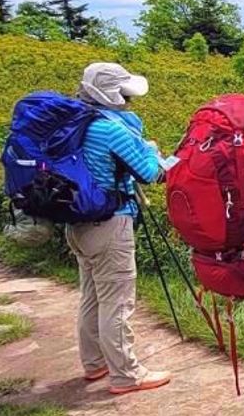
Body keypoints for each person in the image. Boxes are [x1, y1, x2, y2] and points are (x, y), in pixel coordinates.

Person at [70, 62, 172, 396]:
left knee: (92, 296)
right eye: (125, 94)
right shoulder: (111, 129)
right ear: (111, 94)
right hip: (111, 222)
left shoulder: (77, 123)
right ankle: (126, 374)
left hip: (78, 222)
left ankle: (94, 363)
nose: (129, 101)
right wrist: (153, 152)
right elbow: (151, 173)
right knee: (117, 300)